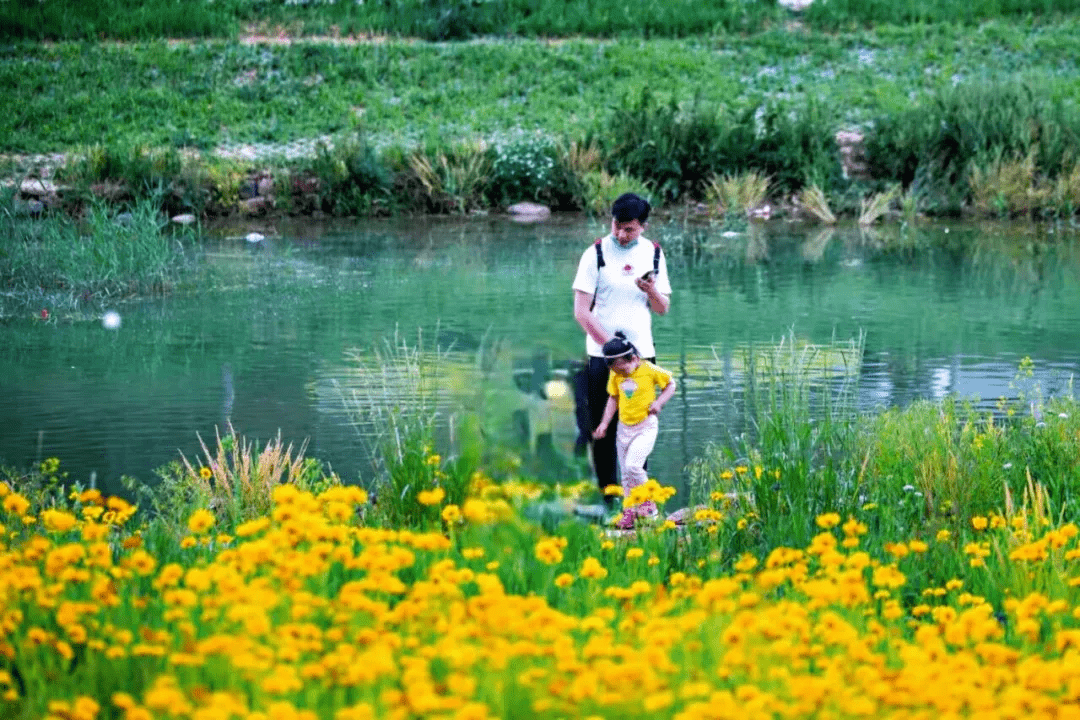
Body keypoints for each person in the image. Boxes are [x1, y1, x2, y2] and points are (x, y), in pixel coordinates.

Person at [572, 192, 672, 503]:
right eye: (616, 225)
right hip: (602, 359)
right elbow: (581, 312)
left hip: (641, 358)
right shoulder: (595, 254)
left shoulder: (653, 254)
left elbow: (662, 308)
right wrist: (613, 348)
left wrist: (651, 290)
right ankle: (609, 499)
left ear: (642, 226)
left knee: (640, 428)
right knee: (602, 430)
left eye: (628, 228)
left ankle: (639, 501)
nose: (620, 233)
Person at [592, 333, 676, 529]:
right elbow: (614, 398)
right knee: (626, 476)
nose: (620, 374)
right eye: (616, 371)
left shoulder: (649, 369)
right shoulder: (616, 374)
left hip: (646, 426)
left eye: (623, 369)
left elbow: (671, 384)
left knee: (633, 467)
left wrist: (659, 403)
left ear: (635, 359)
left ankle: (650, 507)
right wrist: (604, 424)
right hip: (624, 429)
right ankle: (630, 512)